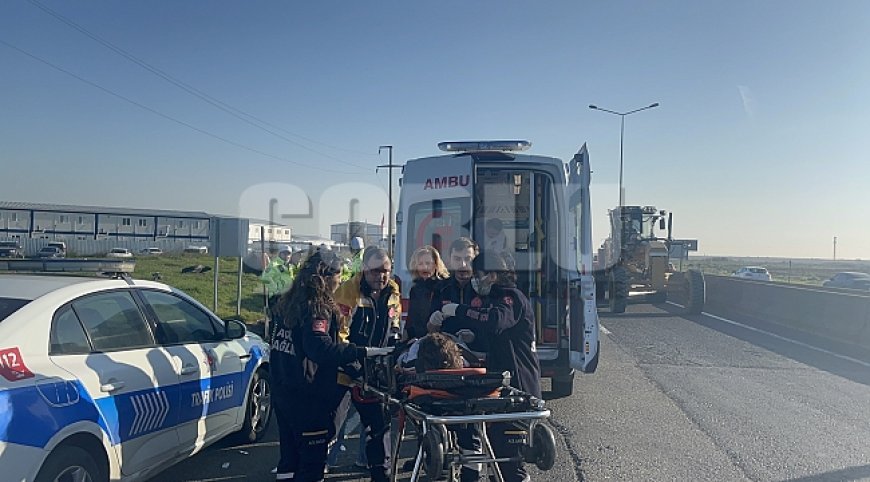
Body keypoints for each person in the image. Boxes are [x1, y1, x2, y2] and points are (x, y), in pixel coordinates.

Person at [430, 250, 542, 482]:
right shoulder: (496, 299)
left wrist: (458, 310)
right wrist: (471, 338)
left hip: (518, 388)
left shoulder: (510, 297)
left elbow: (495, 321)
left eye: (478, 275)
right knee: (498, 460)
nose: (475, 280)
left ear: (492, 275)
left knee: (510, 462)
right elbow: (494, 333)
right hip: (502, 385)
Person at [269, 248, 376, 481]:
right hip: (308, 398)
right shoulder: (318, 308)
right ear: (327, 277)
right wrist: (359, 352)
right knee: (311, 463)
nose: (341, 281)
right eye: (339, 275)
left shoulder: (287, 303)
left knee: (289, 459)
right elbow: (319, 348)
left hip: (282, 390)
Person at [334, 247, 401, 482]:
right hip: (344, 372)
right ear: (363, 269)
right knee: (329, 427)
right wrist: (354, 368)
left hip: (375, 373)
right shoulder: (347, 292)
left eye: (385, 271)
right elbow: (338, 336)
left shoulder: (393, 291)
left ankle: (381, 475)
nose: (381, 276)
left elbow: (394, 328)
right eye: (375, 271)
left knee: (378, 429)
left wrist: (394, 354)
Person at [431, 237, 488, 353]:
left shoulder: (486, 289)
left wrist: (475, 336)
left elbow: (494, 325)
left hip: (479, 353)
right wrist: (433, 322)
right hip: (447, 353)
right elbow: (430, 330)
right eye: (457, 259)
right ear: (450, 260)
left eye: (468, 259)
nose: (462, 264)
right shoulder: (441, 288)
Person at [404, 245, 450, 340]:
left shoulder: (444, 287)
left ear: (435, 265)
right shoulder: (415, 289)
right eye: (421, 264)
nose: (425, 267)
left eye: (428, 263)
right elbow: (411, 318)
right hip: (418, 339)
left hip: (439, 339)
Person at [261, 245, 298, 319]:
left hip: (287, 296)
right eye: (284, 253)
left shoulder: (290, 266)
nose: (286, 256)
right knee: (276, 320)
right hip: (277, 297)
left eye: (288, 254)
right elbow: (265, 278)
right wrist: (275, 289)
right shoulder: (274, 264)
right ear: (280, 254)